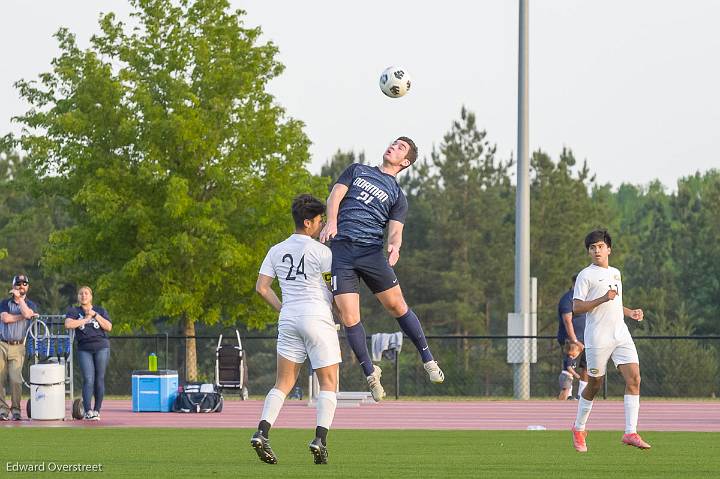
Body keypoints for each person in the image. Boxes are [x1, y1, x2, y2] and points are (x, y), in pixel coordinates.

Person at [319, 137, 443, 402]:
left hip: (371, 253)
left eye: (400, 148)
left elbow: (396, 231)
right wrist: (331, 222)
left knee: (397, 306)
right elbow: (335, 195)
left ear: (405, 162)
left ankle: (428, 358)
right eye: (393, 143)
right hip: (342, 252)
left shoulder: (398, 196)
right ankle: (370, 373)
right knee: (349, 316)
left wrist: (395, 247)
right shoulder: (357, 170)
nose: (393, 147)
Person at [251, 194, 341, 465]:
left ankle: (262, 432)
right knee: (329, 383)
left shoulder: (276, 249)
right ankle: (320, 440)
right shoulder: (322, 251)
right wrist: (343, 313)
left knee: (283, 383)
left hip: (289, 317)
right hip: (317, 317)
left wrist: (282, 309)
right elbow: (331, 288)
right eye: (319, 221)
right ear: (308, 222)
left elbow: (261, 288)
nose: (322, 225)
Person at [570, 230, 651, 452]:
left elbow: (614, 303)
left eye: (600, 246)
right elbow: (577, 308)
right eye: (592, 247)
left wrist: (630, 312)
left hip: (620, 334)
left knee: (634, 378)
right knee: (594, 384)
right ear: (589, 251)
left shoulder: (616, 273)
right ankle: (579, 427)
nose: (596, 250)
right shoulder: (585, 275)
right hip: (598, 337)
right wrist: (602, 298)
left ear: (609, 249)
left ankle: (630, 432)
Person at [64, 286, 112, 421]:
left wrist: (95, 315)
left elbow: (109, 327)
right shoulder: (74, 311)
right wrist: (85, 319)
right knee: (88, 379)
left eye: (86, 293)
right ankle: (88, 410)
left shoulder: (100, 310)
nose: (83, 296)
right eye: (81, 294)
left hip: (101, 347)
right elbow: (68, 324)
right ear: (78, 297)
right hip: (84, 348)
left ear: (91, 296)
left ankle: (97, 410)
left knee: (99, 379)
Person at [0, 274, 39, 421]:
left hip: (18, 346)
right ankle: (2, 410)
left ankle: (16, 410)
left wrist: (21, 301)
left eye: (24, 284)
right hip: (2, 343)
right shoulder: (4, 303)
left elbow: (29, 313)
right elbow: (6, 318)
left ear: (27, 287)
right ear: (13, 286)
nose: (21, 286)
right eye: (18, 284)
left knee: (16, 380)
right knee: (0, 379)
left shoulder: (31, 304)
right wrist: (23, 316)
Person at [557, 274, 588, 398]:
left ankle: (582, 395)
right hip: (572, 342)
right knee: (569, 368)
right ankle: (567, 395)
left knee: (586, 367)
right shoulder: (568, 298)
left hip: (587, 339)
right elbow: (567, 320)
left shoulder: (586, 298)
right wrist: (574, 340)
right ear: (575, 283)